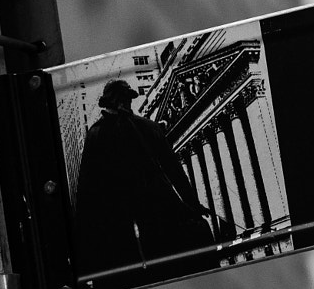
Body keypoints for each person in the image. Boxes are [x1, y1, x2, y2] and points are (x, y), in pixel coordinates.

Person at [71, 78, 219, 274]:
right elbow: (174, 171)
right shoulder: (144, 127)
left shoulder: (98, 134)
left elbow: (87, 189)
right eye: (127, 98)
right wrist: (192, 203)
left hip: (134, 215)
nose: (129, 103)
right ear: (121, 100)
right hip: (147, 211)